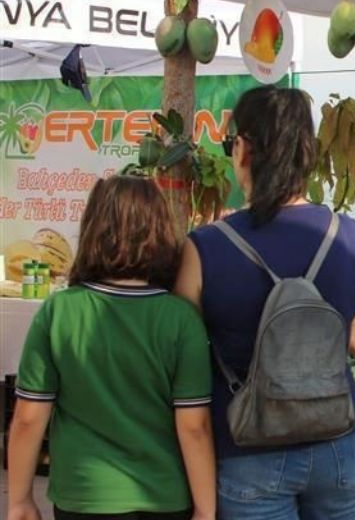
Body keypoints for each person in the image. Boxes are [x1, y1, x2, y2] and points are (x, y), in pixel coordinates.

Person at [174, 85, 355, 520]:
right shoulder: (349, 236)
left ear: (244, 149)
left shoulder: (205, 248)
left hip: (248, 448)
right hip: (339, 442)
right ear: (308, 152)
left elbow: (183, 357)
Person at [6, 175, 215, 520]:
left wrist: (20, 499)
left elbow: (29, 418)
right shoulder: (181, 319)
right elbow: (194, 427)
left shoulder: (59, 312)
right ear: (161, 232)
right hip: (164, 497)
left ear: (92, 229)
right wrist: (206, 511)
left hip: (83, 496)